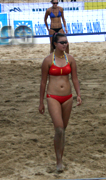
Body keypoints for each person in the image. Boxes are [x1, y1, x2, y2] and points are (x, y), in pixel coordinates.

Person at [38, 33, 82, 172]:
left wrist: (78, 95)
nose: (65, 44)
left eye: (66, 42)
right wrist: (41, 101)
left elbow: (74, 78)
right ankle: (58, 162)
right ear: (55, 44)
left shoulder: (71, 59)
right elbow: (43, 82)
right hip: (53, 97)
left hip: (68, 97)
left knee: (63, 131)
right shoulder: (47, 60)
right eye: (62, 42)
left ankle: (60, 158)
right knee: (58, 128)